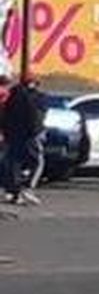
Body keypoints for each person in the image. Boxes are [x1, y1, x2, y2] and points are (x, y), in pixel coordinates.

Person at [2, 76, 46, 206]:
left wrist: (6, 132)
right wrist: (36, 132)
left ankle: (15, 192)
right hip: (28, 136)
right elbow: (34, 118)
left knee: (14, 162)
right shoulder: (33, 98)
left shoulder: (12, 96)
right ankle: (28, 187)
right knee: (37, 161)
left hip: (13, 135)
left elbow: (5, 115)